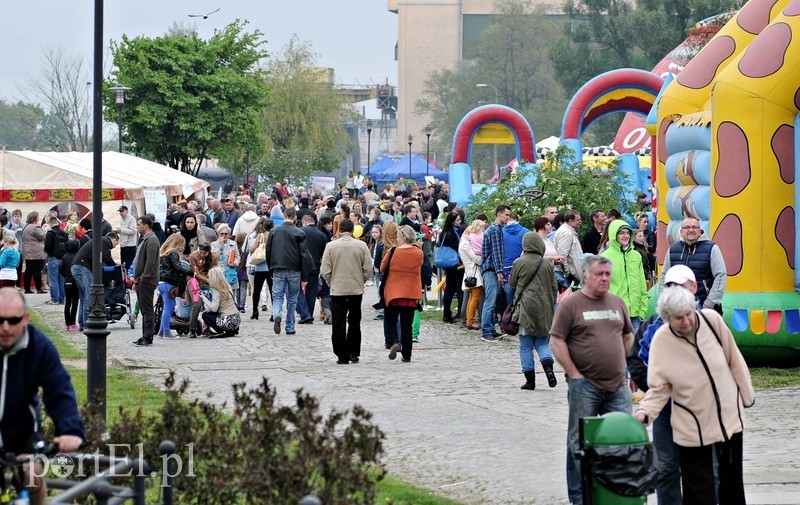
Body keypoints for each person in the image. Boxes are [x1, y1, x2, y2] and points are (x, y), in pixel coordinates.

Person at [634, 286, 754, 505]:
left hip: (728, 420)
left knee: (732, 487)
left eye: (689, 314)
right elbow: (659, 388)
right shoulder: (662, 340)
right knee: (698, 491)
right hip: (692, 427)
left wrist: (747, 396)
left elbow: (734, 359)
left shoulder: (711, 321)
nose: (687, 321)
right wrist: (645, 413)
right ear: (667, 318)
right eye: (679, 318)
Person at [549, 255, 635, 505]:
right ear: (586, 276)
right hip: (585, 385)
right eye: (600, 274)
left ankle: (617, 494)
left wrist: (629, 368)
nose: (605, 279)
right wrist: (574, 373)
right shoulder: (572, 304)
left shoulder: (617, 303)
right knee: (579, 442)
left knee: (622, 438)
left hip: (618, 385)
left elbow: (629, 336)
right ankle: (579, 498)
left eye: (608, 274)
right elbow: (556, 340)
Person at [0, 288, 84, 505]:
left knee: (32, 475)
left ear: (26, 318)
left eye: (13, 320)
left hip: (21, 433)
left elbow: (59, 390)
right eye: (0, 320)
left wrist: (70, 430)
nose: (6, 327)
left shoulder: (39, 347)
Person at [627, 264, 698, 505]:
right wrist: (656, 389)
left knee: (701, 470)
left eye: (679, 285)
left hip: (699, 411)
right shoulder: (651, 325)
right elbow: (635, 359)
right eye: (669, 286)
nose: (674, 291)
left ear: (693, 287)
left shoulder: (707, 323)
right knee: (666, 468)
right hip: (665, 410)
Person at [510, 232, 558, 390]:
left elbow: (512, 283)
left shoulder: (519, 262)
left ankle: (530, 380)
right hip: (544, 307)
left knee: (525, 345)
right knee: (542, 342)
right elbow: (554, 287)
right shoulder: (547, 264)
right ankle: (549, 368)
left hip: (525, 306)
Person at [320, 219, 372, 364]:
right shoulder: (361, 246)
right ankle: (353, 352)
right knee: (355, 321)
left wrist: (331, 282)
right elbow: (368, 268)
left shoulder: (331, 246)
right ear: (352, 230)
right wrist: (361, 280)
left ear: (340, 230)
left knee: (338, 322)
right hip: (355, 289)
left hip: (338, 289)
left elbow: (325, 269)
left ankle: (341, 354)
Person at [661, 217, 727, 314]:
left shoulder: (712, 248)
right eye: (687, 227)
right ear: (681, 231)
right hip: (677, 305)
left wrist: (709, 303)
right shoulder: (673, 249)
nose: (691, 230)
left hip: (703, 304)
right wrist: (664, 300)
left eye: (694, 227)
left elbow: (720, 275)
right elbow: (664, 276)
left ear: (700, 231)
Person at [265, 207, 314, 335]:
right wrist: (305, 277)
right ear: (295, 218)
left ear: (284, 215)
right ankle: (290, 327)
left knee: (277, 296)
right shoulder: (299, 233)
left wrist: (271, 269)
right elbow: (304, 256)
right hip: (294, 270)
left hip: (278, 268)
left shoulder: (274, 231)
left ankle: (277, 314)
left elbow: (268, 252)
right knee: (292, 299)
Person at [381, 225, 423, 362]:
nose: (397, 239)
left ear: (403, 237)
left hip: (393, 293)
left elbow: (382, 268)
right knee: (407, 326)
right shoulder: (419, 253)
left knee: (390, 320)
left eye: (398, 237)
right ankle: (407, 355)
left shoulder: (393, 252)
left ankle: (394, 342)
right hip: (411, 294)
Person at [600, 219, 648, 334]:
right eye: (622, 233)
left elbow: (642, 284)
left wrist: (642, 310)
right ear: (614, 234)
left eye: (628, 233)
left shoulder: (636, 256)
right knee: (615, 350)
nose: (626, 236)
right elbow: (601, 287)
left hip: (635, 315)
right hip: (614, 314)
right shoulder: (604, 257)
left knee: (632, 350)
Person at [70, 232, 119, 332]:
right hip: (83, 267)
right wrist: (115, 267)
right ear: (113, 239)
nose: (114, 247)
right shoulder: (105, 241)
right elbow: (107, 257)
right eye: (116, 244)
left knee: (83, 297)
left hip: (76, 266)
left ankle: (82, 323)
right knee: (89, 295)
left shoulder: (99, 240)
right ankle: (87, 323)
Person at [481, 205, 511, 342]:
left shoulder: (495, 229)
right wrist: (500, 271)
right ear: (499, 214)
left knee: (492, 301)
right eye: (506, 215)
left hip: (491, 268)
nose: (508, 217)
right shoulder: (495, 230)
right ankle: (486, 331)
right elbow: (496, 253)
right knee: (490, 301)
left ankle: (491, 330)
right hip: (491, 269)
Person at [132, 216, 161, 346]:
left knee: (147, 310)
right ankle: (144, 335)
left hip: (147, 281)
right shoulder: (145, 239)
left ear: (146, 226)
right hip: (141, 280)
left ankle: (148, 337)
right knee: (144, 309)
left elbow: (150, 263)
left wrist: (143, 278)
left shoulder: (152, 240)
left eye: (139, 225)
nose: (137, 227)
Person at [157, 234, 192, 339]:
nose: (183, 247)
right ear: (178, 243)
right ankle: (166, 332)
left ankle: (161, 331)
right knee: (168, 308)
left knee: (169, 308)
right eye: (183, 244)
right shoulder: (173, 253)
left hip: (161, 283)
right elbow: (178, 267)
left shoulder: (165, 253)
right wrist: (190, 272)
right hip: (169, 284)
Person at [297, 214, 327, 324]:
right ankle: (309, 313)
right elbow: (324, 253)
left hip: (301, 266)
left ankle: (304, 313)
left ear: (304, 222)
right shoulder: (321, 235)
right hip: (315, 266)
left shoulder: (300, 232)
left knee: (297, 290)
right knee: (312, 291)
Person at [459, 219, 486, 331]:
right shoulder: (465, 244)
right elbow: (474, 257)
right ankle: (470, 320)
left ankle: (470, 319)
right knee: (475, 297)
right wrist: (482, 259)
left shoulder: (464, 243)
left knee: (472, 297)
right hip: (473, 271)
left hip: (470, 270)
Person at [199, 267, 241, 337]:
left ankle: (220, 331)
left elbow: (214, 308)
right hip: (236, 319)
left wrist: (203, 298)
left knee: (205, 315)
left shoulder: (216, 290)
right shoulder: (227, 285)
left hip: (227, 320)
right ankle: (231, 331)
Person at [438, 211, 463, 324]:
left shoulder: (448, 232)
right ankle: (447, 314)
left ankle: (447, 314)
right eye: (458, 220)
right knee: (450, 289)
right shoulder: (450, 233)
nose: (460, 221)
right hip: (452, 263)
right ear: (452, 222)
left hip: (451, 263)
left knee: (450, 289)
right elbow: (457, 247)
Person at [553, 209, 583, 291]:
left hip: (573, 274)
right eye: (578, 220)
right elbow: (562, 255)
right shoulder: (566, 233)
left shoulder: (569, 231)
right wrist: (568, 274)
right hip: (571, 276)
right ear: (570, 220)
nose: (580, 222)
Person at [21, 211, 48, 294]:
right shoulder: (35, 227)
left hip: (27, 252)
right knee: (37, 270)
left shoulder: (25, 227)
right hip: (36, 252)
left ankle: (27, 288)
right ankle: (39, 288)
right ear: (35, 218)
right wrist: (44, 230)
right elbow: (42, 237)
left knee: (28, 270)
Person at [44, 216, 68, 305]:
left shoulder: (50, 233)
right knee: (61, 280)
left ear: (51, 224)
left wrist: (50, 253)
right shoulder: (63, 233)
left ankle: (55, 299)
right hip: (63, 259)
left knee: (53, 280)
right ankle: (62, 299)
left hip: (53, 258)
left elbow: (47, 247)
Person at [58, 240, 81, 332]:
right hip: (76, 281)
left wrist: (66, 276)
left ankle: (67, 323)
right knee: (75, 302)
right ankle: (73, 322)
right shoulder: (78, 256)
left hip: (67, 281)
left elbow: (60, 269)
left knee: (67, 302)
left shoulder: (65, 257)